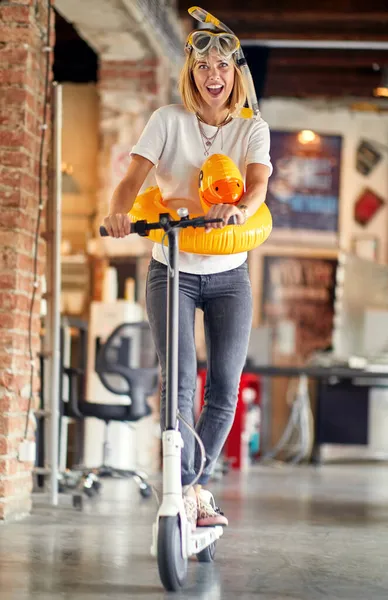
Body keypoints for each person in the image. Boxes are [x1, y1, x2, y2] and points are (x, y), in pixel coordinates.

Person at [102, 28, 272, 530]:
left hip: (228, 275)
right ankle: (183, 492)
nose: (212, 75)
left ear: (234, 74)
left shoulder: (252, 128)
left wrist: (241, 210)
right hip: (172, 268)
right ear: (190, 74)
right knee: (177, 382)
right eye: (203, 67)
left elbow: (258, 184)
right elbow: (132, 182)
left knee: (223, 386)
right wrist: (117, 213)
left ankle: (191, 483)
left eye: (222, 66)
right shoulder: (167, 121)